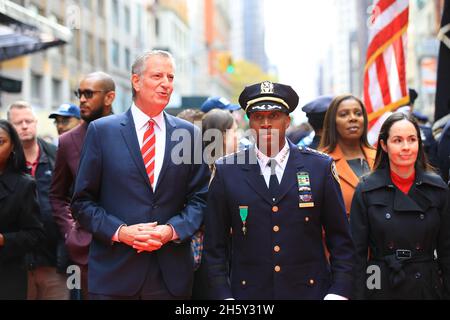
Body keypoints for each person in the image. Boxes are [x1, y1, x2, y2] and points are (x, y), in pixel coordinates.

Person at [71, 50, 210, 299]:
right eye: (157, 75)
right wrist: (121, 232)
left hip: (170, 277)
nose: (166, 84)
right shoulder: (102, 132)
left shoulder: (188, 134)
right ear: (136, 81)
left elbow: (200, 199)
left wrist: (171, 230)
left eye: (170, 77)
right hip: (114, 274)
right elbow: (82, 202)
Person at [203, 81, 354, 300]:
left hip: (310, 292)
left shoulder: (319, 167)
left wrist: (338, 293)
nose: (266, 124)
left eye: (273, 116)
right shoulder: (227, 171)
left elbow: (341, 241)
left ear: (287, 121)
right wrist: (223, 296)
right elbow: (214, 248)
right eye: (258, 117)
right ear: (250, 122)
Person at [350, 112, 450, 300]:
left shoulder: (437, 188)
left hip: (426, 285)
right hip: (380, 281)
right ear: (384, 145)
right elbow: (357, 255)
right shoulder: (366, 190)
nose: (406, 147)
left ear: (419, 144)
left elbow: (447, 250)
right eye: (397, 140)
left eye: (412, 139)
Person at [49, 72, 116, 299]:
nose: (82, 100)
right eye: (80, 93)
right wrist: (70, 231)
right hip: (87, 251)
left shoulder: (131, 133)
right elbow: (57, 195)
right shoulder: (68, 142)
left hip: (130, 247)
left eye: (89, 94)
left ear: (109, 98)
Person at [7, 101, 70, 300]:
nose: (24, 126)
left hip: (55, 262)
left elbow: (71, 204)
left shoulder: (57, 156)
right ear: (9, 127)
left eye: (28, 121)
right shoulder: (4, 162)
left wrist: (66, 253)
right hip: (16, 265)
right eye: (18, 123)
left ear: (36, 122)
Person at [0, 120, 44, 300]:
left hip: (7, 273)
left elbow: (35, 234)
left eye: (0, 142)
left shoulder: (23, 185)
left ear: (12, 148)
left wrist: (3, 239)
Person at [319, 94, 376, 216]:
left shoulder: (380, 156)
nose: (353, 118)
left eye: (358, 113)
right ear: (333, 121)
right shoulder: (321, 161)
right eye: (344, 114)